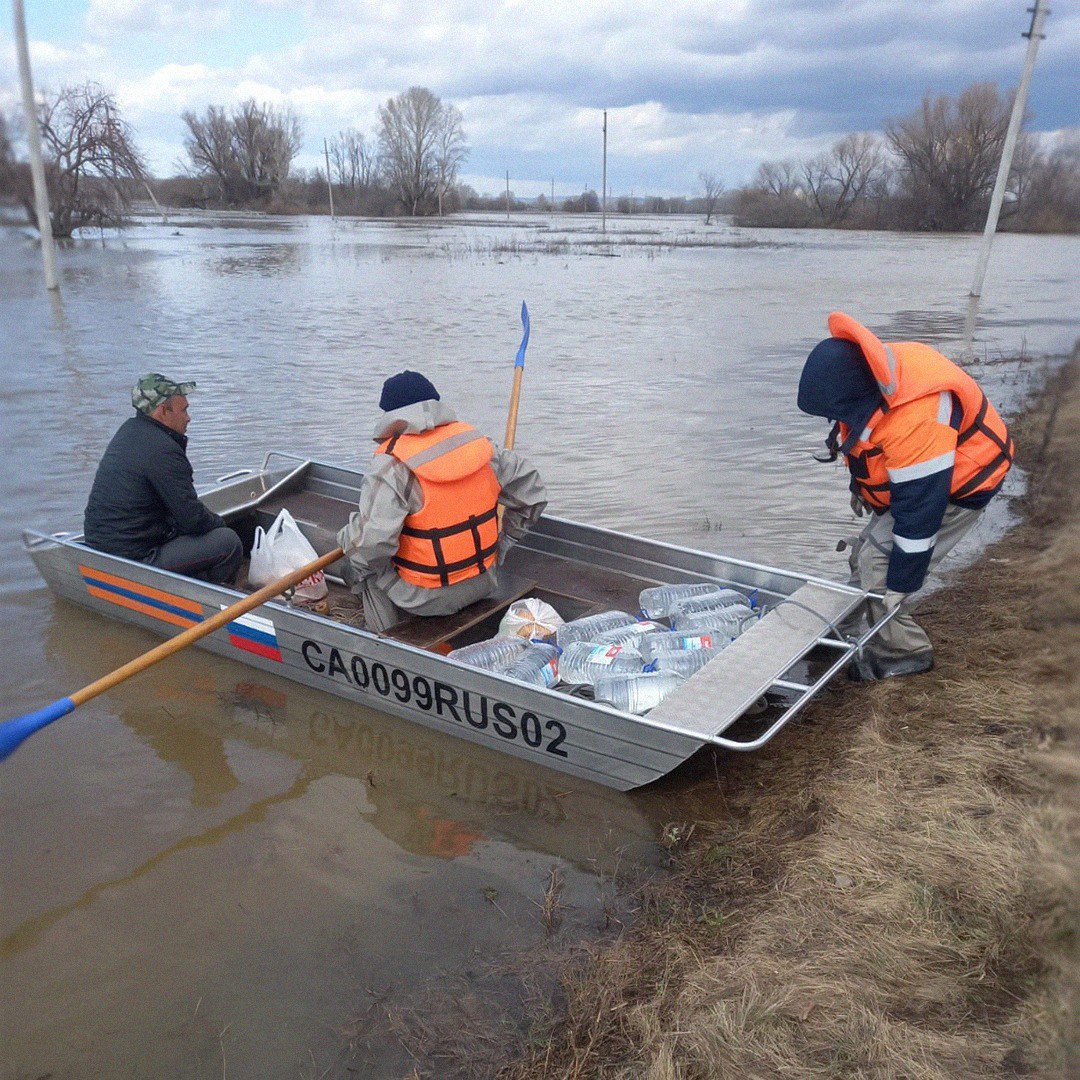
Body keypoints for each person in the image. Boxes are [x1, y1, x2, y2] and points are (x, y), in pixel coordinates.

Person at [797, 312, 1013, 681]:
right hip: (924, 480)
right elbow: (869, 442)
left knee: (880, 564)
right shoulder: (870, 374)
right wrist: (861, 488)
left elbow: (920, 513)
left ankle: (904, 650)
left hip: (960, 484)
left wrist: (901, 583)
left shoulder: (917, 418)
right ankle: (844, 628)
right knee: (865, 552)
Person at [337, 370, 547, 632]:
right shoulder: (481, 445)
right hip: (484, 580)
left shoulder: (391, 464)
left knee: (359, 565)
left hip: (424, 599)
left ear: (389, 416)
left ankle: (388, 639)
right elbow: (533, 495)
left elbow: (373, 545)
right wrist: (503, 545)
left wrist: (347, 540)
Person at [83, 374, 243, 585]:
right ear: (162, 411)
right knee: (228, 542)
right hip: (135, 558)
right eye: (183, 410)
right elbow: (192, 519)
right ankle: (206, 595)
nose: (189, 418)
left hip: (103, 545)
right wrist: (221, 524)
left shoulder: (128, 431)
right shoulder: (164, 451)